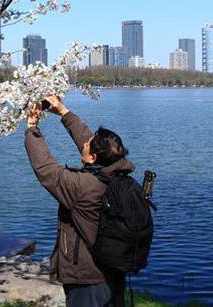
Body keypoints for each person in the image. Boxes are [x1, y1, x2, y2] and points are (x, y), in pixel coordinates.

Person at [25, 95, 130, 307]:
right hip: (113, 268)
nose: (86, 141)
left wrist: (32, 128)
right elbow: (90, 142)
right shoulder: (118, 173)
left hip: (86, 275)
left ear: (92, 157)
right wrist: (64, 113)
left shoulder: (82, 187)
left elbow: (45, 169)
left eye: (89, 144)